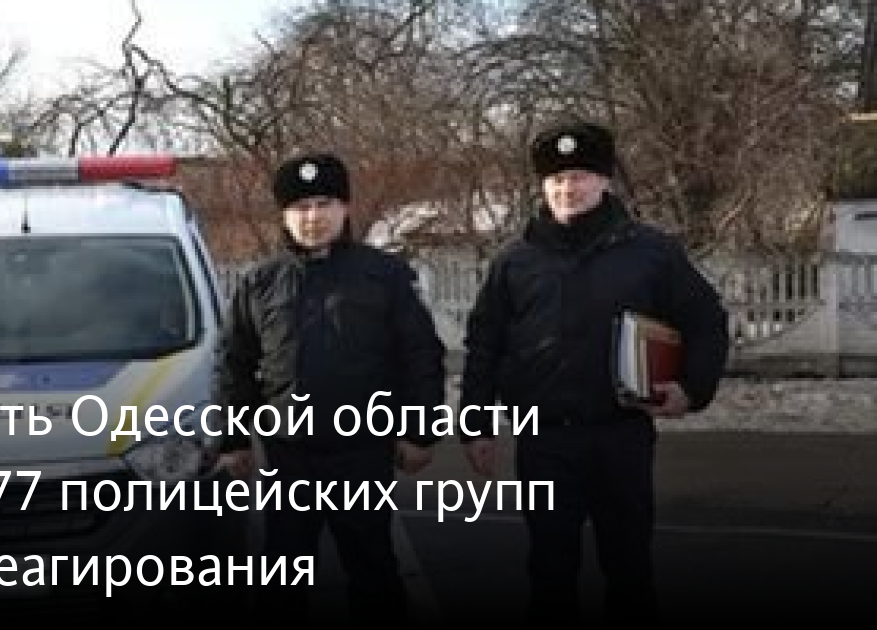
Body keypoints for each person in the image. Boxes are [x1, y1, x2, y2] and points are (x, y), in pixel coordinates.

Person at [458, 121, 730, 627]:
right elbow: (485, 345)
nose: (569, 188)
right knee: (549, 574)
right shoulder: (514, 262)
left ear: (605, 180)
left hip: (620, 436)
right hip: (543, 441)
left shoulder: (651, 252)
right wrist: (475, 425)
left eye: (581, 176)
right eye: (557, 178)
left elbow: (706, 321)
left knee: (629, 572)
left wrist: (693, 388)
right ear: (543, 185)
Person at [213, 152, 447, 627]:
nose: (313, 217)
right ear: (284, 215)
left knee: (373, 571)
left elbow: (421, 356)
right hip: (289, 456)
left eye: (324, 204)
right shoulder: (260, 284)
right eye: (301, 207)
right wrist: (233, 441)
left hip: (362, 453)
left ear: (345, 209)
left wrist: (420, 433)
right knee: (281, 577)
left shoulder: (384, 277)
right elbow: (234, 365)